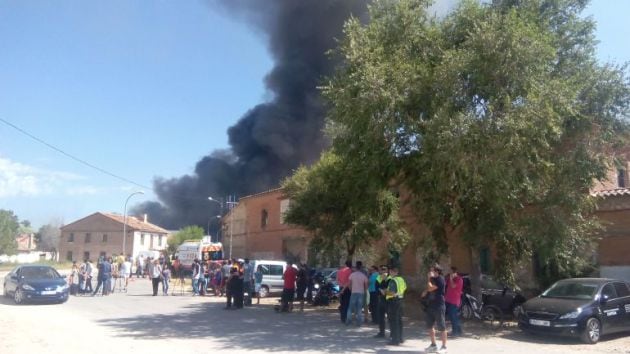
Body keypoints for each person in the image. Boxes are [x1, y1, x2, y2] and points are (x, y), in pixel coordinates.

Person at [422, 264, 447, 353]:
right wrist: (425, 292)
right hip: (430, 305)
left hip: (439, 305)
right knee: (430, 326)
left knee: (442, 327)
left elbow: (431, 288)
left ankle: (444, 347)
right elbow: (429, 290)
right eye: (430, 270)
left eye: (432, 270)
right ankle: (433, 345)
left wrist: (428, 279)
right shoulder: (433, 279)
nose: (430, 272)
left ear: (437, 271)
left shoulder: (440, 279)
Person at [385, 266, 406, 346]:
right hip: (400, 300)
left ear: (392, 272)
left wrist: (385, 292)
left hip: (393, 301)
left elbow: (392, 293)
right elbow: (404, 288)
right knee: (399, 320)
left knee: (393, 321)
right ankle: (400, 338)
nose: (390, 273)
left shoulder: (393, 281)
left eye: (390, 272)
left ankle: (395, 340)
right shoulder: (401, 279)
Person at [346, 261, 368, 326]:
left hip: (353, 292)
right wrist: (364, 291)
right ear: (360, 268)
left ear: (356, 268)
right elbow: (366, 285)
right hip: (361, 293)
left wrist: (351, 290)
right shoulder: (363, 276)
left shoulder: (352, 275)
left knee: (350, 307)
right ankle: (359, 322)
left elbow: (349, 284)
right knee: (359, 308)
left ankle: (348, 320)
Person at [445, 266, 464, 337]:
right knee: (453, 316)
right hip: (448, 299)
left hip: (454, 301)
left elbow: (453, 286)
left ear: (454, 272)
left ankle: (455, 332)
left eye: (450, 272)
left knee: (453, 316)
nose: (449, 273)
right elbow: (445, 284)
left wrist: (450, 278)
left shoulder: (459, 279)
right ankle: (459, 330)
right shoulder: (450, 278)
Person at [373, 265, 390, 338]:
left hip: (386, 299)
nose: (383, 271)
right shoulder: (383, 278)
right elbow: (376, 288)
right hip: (384, 299)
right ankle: (382, 332)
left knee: (386, 317)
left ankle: (383, 333)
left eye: (384, 269)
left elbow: (377, 288)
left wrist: (381, 291)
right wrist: (382, 291)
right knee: (382, 317)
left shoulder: (388, 278)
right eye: (382, 270)